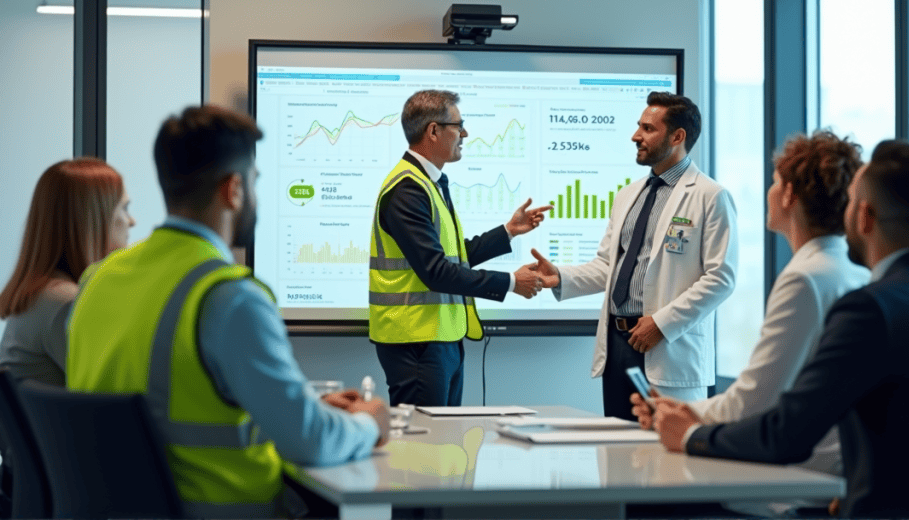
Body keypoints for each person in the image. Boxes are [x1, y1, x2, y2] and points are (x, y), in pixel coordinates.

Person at [635, 140, 909, 518]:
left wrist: (689, 436)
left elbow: (788, 435)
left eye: (849, 202)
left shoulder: (873, 309)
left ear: (863, 218)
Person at [65, 106, 389, 518]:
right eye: (254, 181)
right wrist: (370, 422)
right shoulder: (229, 296)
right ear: (233, 189)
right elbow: (308, 441)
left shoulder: (97, 279)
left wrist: (302, 404)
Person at [634, 131, 868, 477]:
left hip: (798, 475)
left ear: (789, 194)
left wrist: (683, 421)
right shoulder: (854, 272)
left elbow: (754, 400)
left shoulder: (804, 280)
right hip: (834, 466)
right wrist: (683, 409)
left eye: (775, 182)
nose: (770, 191)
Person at [529, 92, 738, 419]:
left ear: (677, 136)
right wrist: (562, 276)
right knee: (615, 453)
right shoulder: (628, 195)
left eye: (647, 128)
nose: (635, 136)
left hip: (668, 345)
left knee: (665, 459)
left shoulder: (710, 196)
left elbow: (721, 278)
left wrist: (662, 324)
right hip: (617, 345)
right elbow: (608, 268)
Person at [370, 89, 550, 407]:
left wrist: (508, 232)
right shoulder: (407, 190)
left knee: (443, 448)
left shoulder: (429, 182)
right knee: (423, 451)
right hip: (416, 342)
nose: (465, 133)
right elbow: (436, 272)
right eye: (459, 125)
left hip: (441, 340)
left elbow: (454, 255)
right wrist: (510, 283)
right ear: (434, 131)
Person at [0, 157, 134, 386]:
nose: (131, 221)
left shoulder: (42, 294)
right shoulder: (64, 302)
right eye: (124, 208)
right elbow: (114, 387)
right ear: (93, 221)